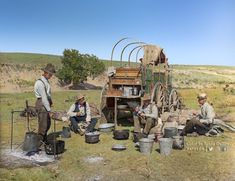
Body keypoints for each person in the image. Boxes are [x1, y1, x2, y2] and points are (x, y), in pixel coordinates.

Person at [34, 63, 56, 144]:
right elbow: (43, 98)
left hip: (45, 103)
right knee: (43, 125)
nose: (51, 76)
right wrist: (49, 110)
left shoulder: (46, 81)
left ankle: (44, 139)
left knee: (47, 123)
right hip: (42, 104)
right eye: (50, 75)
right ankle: (38, 142)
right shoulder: (40, 83)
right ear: (46, 73)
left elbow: (47, 94)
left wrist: (50, 101)